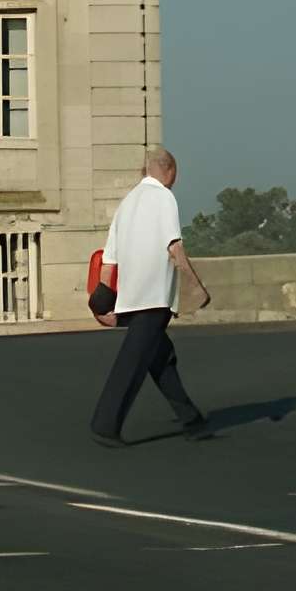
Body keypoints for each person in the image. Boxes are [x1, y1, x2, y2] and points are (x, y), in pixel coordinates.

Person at [90, 146, 215, 446]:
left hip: (131, 297)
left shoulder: (127, 202)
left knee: (160, 357)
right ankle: (104, 425)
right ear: (169, 170)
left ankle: (192, 420)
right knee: (132, 362)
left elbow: (109, 259)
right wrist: (197, 287)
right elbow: (174, 247)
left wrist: (101, 304)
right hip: (154, 296)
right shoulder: (163, 198)